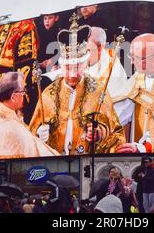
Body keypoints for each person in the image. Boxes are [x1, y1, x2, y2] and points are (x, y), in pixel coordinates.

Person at [29, 14, 126, 155]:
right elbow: (31, 134)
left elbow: (114, 131)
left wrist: (99, 133)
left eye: (78, 67)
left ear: (85, 64)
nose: (73, 74)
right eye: (68, 68)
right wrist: (38, 134)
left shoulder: (98, 91)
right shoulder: (48, 94)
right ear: (61, 66)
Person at [0, 72, 60, 158]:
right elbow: (34, 150)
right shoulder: (11, 127)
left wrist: (37, 135)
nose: (25, 94)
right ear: (13, 97)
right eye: (23, 91)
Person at [85, 27, 128, 99]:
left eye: (88, 50)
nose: (84, 55)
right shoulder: (85, 59)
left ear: (100, 48)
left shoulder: (113, 69)